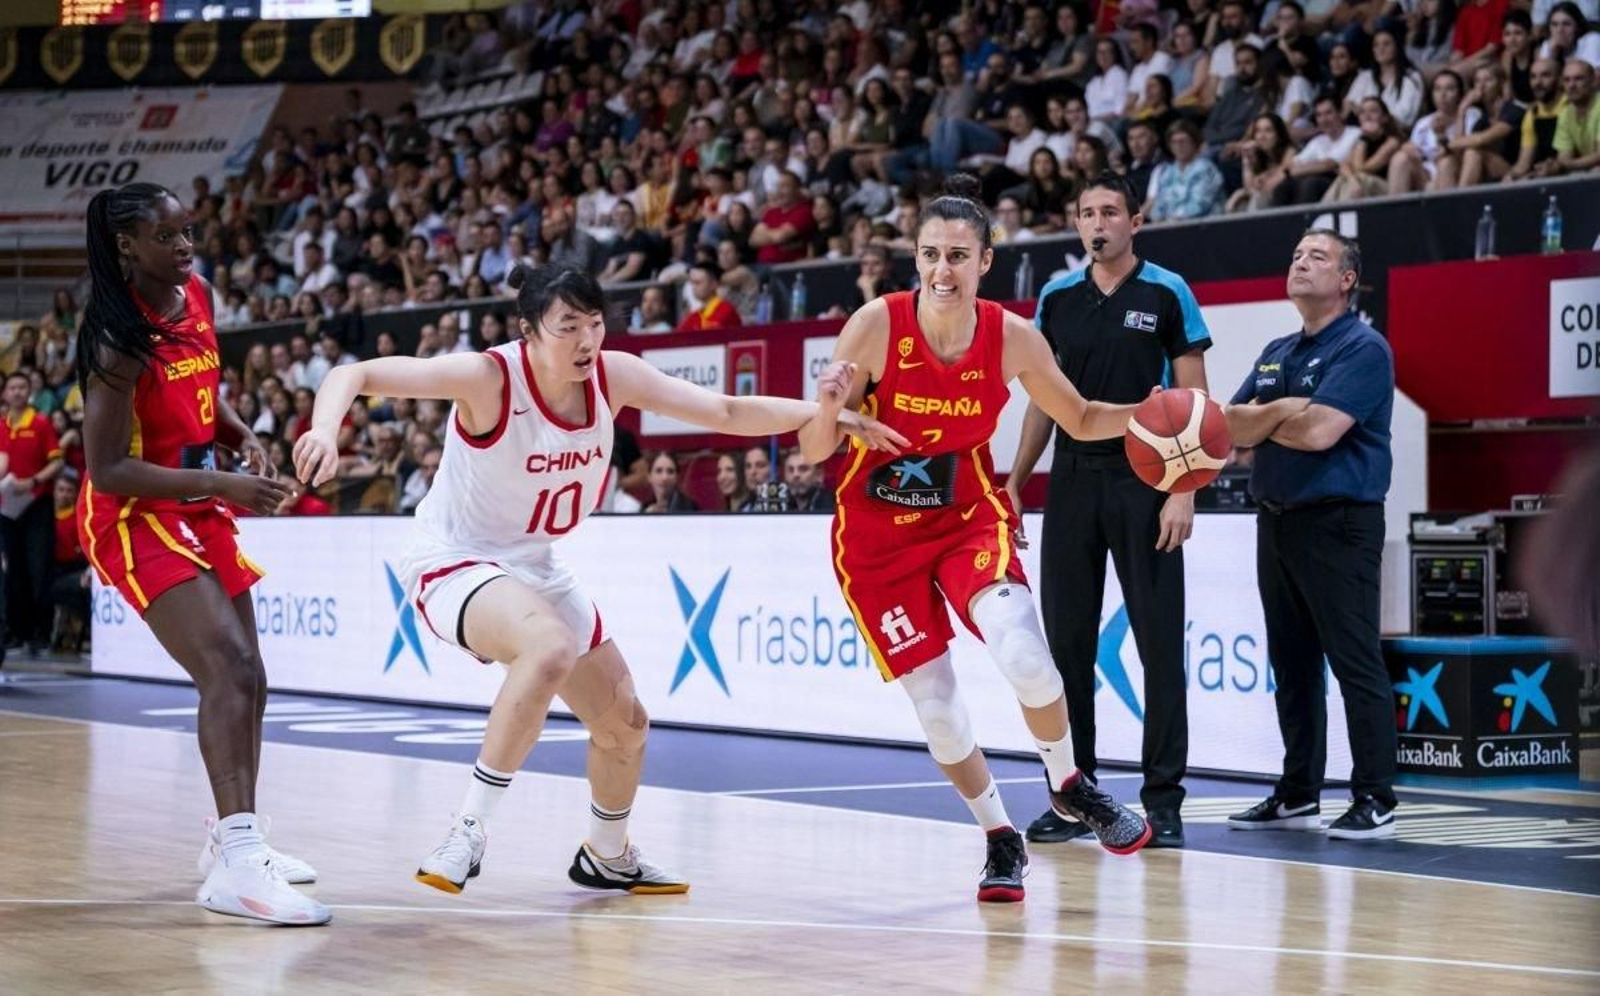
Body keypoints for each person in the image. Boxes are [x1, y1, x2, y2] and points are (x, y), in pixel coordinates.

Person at [293, 263, 903, 897]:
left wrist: (832, 415)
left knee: (626, 726)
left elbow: (725, 408)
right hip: (454, 559)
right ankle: (468, 829)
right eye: (568, 327)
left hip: (536, 563)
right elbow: (352, 373)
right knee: (549, 646)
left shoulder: (612, 376)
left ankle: (608, 853)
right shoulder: (489, 378)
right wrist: (323, 428)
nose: (587, 341)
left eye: (595, 324)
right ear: (528, 331)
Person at [799, 175, 1151, 907]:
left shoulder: (1013, 336)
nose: (941, 270)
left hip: (966, 517)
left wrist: (1155, 413)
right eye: (930, 254)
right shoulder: (875, 323)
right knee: (938, 707)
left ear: (985, 262)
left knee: (1024, 651)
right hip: (875, 539)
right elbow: (810, 446)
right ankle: (999, 837)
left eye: (958, 256)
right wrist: (835, 411)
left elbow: (1081, 418)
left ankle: (1069, 784)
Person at [74, 183, 326, 924]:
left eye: (188, 231)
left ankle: (233, 842)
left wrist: (237, 434)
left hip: (194, 496)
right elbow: (107, 468)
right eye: (166, 236)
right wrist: (224, 480)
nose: (185, 247)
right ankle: (239, 868)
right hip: (131, 512)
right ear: (127, 247)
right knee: (230, 670)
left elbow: (205, 395)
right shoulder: (117, 338)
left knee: (252, 676)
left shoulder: (200, 295)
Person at [1008, 174, 1211, 851]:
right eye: (1087, 213)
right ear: (1077, 223)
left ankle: (1165, 799)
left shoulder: (1168, 290)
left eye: (1111, 212)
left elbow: (1195, 404)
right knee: (1065, 650)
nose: (1099, 223)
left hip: (1146, 480)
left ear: (1135, 220)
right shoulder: (1057, 297)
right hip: (1071, 481)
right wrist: (1016, 481)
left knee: (1158, 645)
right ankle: (1076, 800)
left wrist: (1184, 489)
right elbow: (1043, 397)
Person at [1222, 229, 1399, 840]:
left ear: (1346, 280)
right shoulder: (1276, 350)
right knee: (1291, 664)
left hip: (1339, 522)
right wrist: (1283, 412)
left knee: (1354, 661)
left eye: (1317, 257)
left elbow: (1322, 432)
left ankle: (1376, 796)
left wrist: (1268, 418)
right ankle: (1298, 793)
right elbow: (1229, 427)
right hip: (1276, 518)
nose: (1300, 262)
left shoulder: (1364, 348)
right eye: (1296, 254)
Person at [2, 371, 63, 653]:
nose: (16, 392)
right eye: (12, 387)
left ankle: (41, 631)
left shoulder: (40, 423)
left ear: (29, 392)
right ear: (5, 394)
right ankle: (16, 631)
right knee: (12, 571)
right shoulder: (1, 425)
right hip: (6, 508)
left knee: (38, 568)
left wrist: (34, 480)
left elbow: (57, 463)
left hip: (36, 504)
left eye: (21, 387)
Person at [781, 448, 834, 512]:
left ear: (819, 475)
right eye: (790, 470)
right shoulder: (779, 504)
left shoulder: (833, 505)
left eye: (803, 469)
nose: (795, 475)